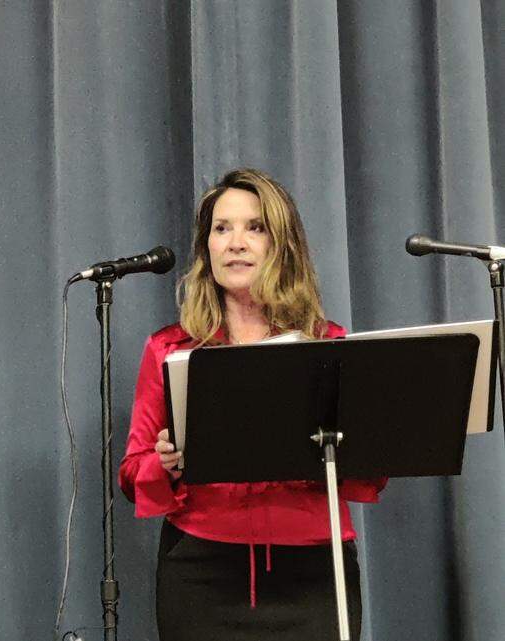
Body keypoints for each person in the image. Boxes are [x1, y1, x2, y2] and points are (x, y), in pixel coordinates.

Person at [118, 168, 385, 640]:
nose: (235, 242)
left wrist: (354, 440)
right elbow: (133, 474)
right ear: (207, 248)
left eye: (254, 227)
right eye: (222, 229)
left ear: (281, 246)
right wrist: (165, 465)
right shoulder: (169, 349)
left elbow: (368, 473)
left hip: (314, 574)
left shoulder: (331, 345)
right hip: (200, 575)